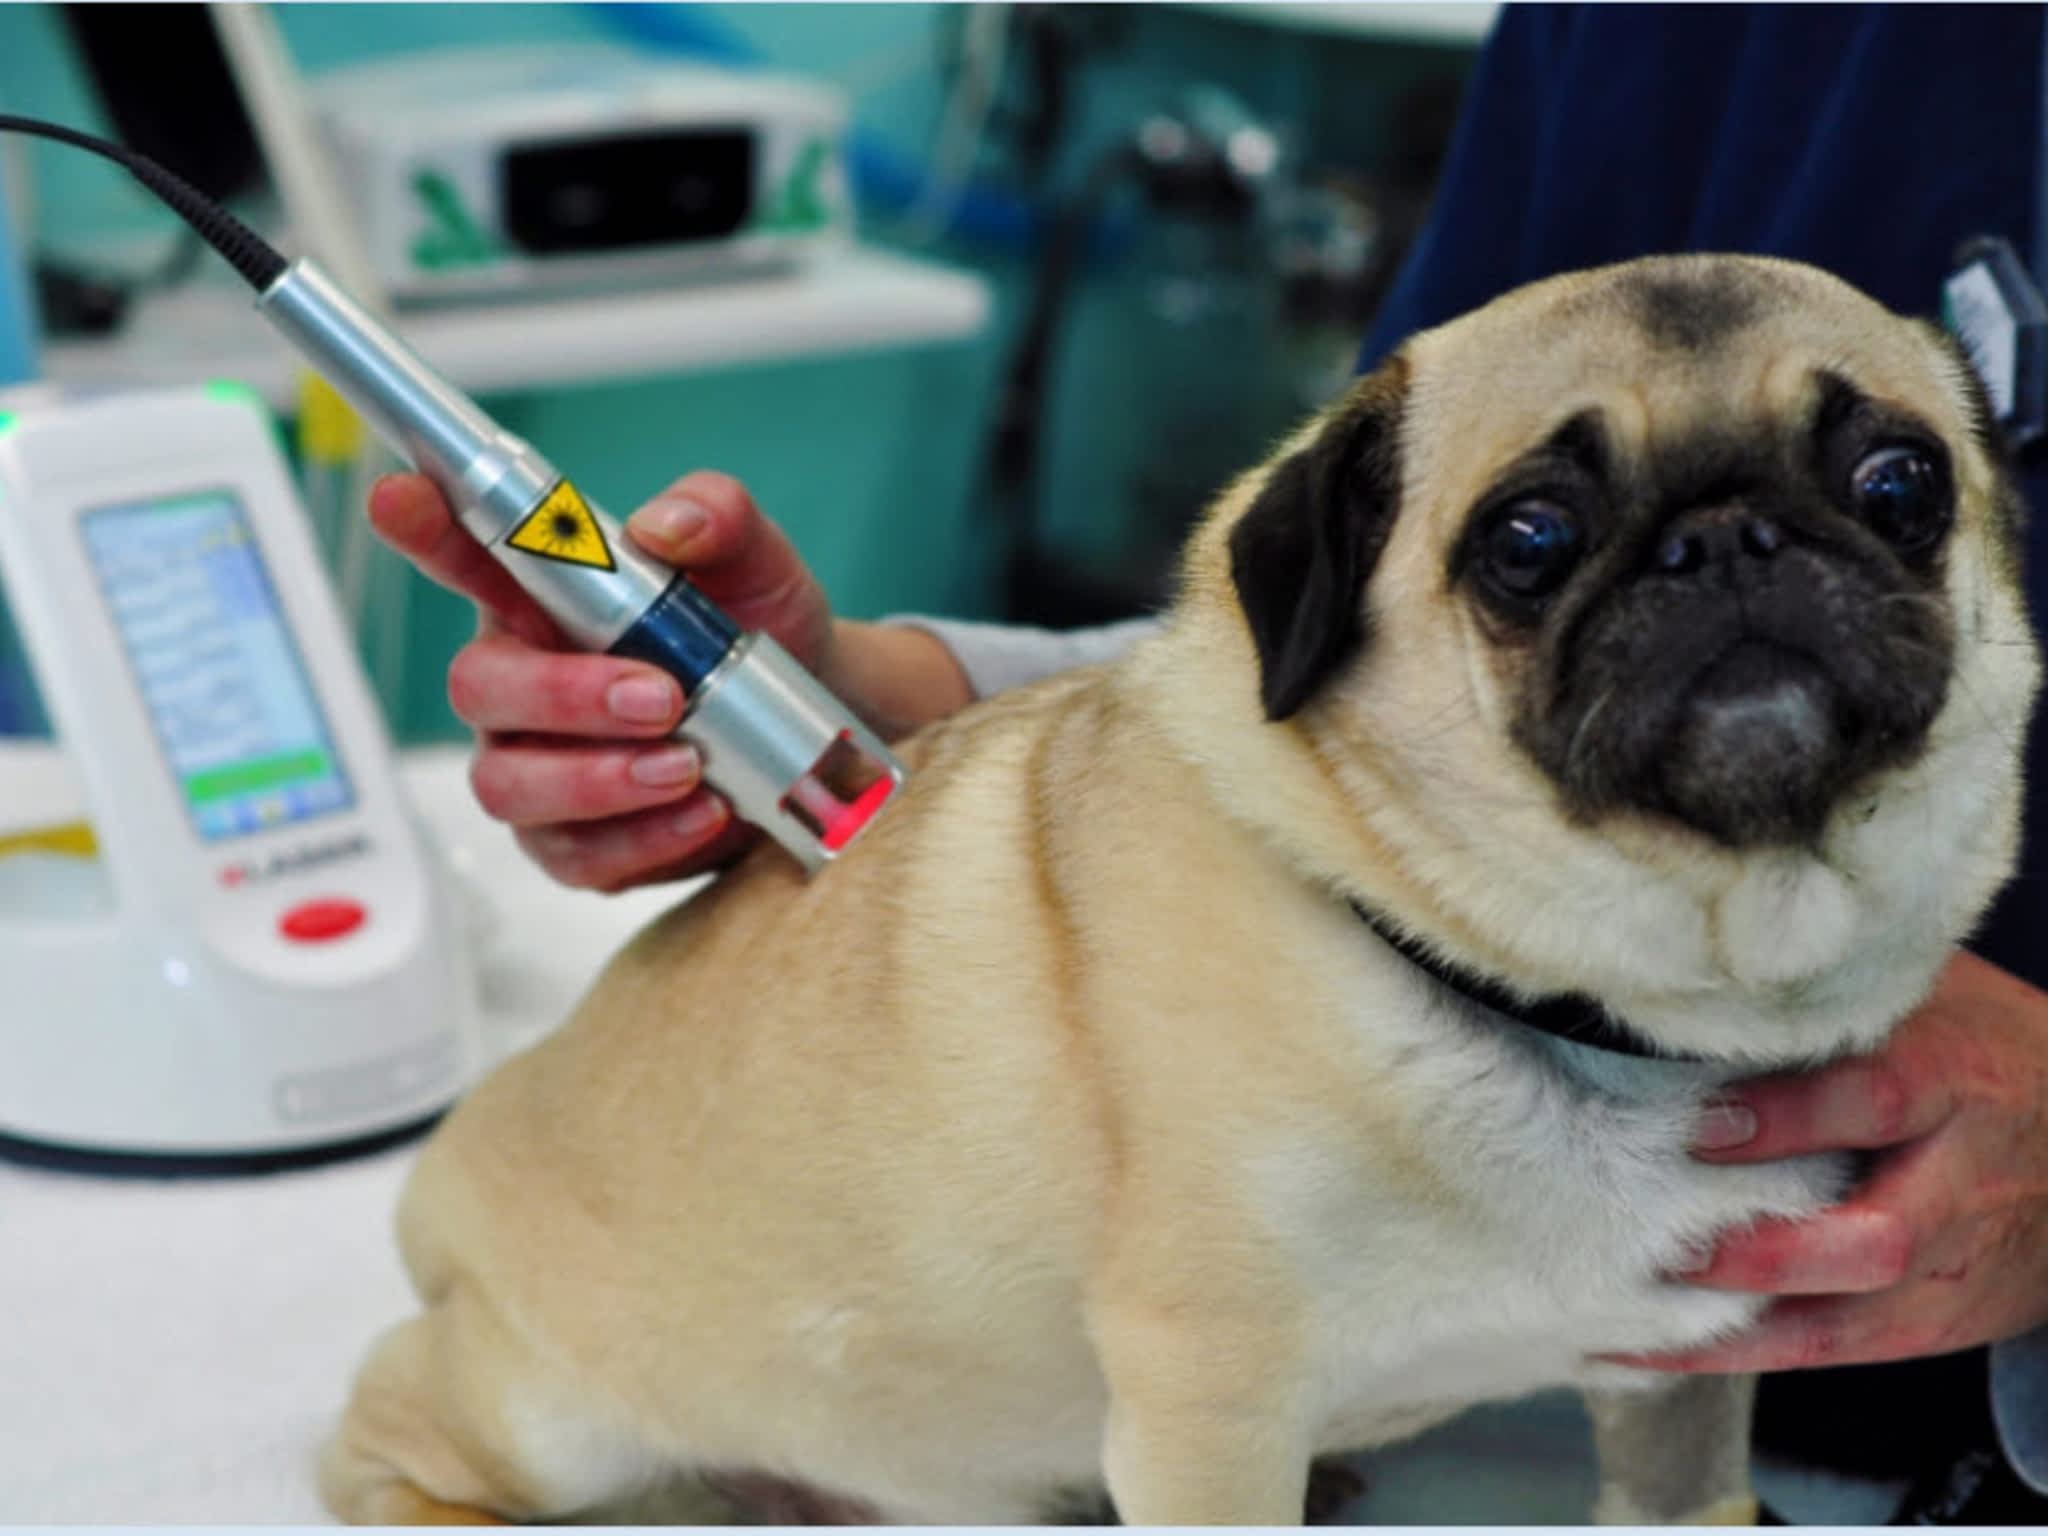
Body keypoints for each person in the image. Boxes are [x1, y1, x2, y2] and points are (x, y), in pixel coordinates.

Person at [372, 4, 2048, 1518]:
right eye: (1539, 545)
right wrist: (894, 686)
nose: (1734, 572)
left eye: (1884, 502)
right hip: (813, 1357)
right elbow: (1333, 671)